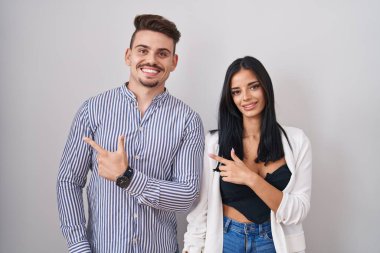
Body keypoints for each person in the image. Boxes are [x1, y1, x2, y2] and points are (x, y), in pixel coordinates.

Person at [57, 14, 204, 253]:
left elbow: (186, 194)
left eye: (162, 53)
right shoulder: (93, 110)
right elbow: (68, 181)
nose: (151, 60)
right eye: (143, 51)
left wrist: (128, 178)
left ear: (174, 62)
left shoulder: (188, 121)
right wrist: (78, 246)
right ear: (128, 56)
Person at [183, 56, 312, 253]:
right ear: (231, 98)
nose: (245, 97)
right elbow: (201, 209)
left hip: (274, 242)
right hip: (227, 240)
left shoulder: (297, 141)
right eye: (236, 92)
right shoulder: (215, 144)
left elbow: (298, 211)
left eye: (253, 87)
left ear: (265, 88)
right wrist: (192, 248)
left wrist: (250, 178)